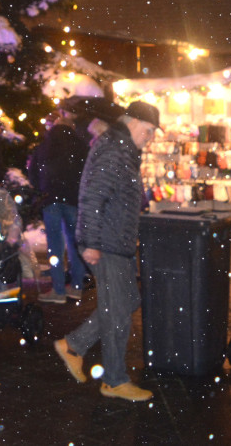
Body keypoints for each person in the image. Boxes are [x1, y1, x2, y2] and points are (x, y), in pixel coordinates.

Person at [54, 100, 160, 403]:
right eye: (149, 130)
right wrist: (91, 243)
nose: (150, 137)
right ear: (133, 122)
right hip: (106, 243)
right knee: (118, 314)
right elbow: (92, 197)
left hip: (117, 241)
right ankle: (114, 381)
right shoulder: (114, 150)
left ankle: (74, 345)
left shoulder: (123, 149)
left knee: (127, 301)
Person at [30, 105, 91, 304]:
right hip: (73, 200)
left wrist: (43, 190)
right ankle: (76, 287)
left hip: (51, 200)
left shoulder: (44, 146)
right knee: (75, 244)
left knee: (55, 246)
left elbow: (33, 173)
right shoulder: (82, 147)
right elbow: (88, 174)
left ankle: (58, 290)